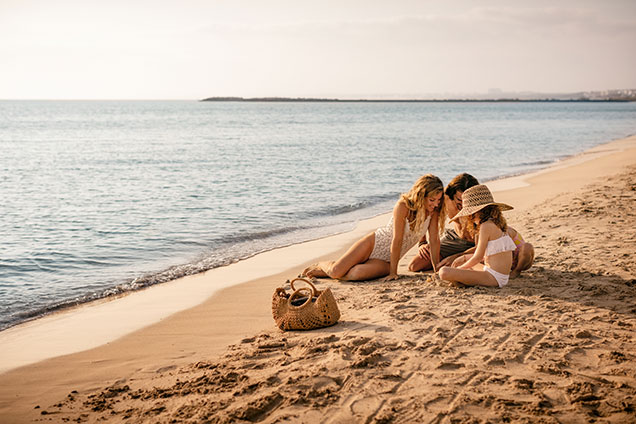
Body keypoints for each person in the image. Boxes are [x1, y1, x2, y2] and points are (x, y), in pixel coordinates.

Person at [302, 174, 446, 282]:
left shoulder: (433, 212)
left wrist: (436, 270)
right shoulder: (403, 206)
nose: (435, 204)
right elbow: (397, 239)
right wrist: (393, 273)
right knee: (335, 272)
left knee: (355, 274)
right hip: (374, 243)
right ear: (421, 196)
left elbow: (434, 241)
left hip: (388, 259)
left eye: (438, 200)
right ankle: (322, 265)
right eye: (432, 200)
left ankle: (327, 271)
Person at [438, 184, 516, 288]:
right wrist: (463, 261)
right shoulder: (497, 223)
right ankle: (461, 279)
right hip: (499, 275)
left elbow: (478, 257)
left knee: (443, 272)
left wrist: (460, 269)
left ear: (475, 212)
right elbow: (489, 255)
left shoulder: (485, 226)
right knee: (462, 260)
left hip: (493, 277)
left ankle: (460, 279)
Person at [409, 173, 479, 272]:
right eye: (459, 200)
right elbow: (424, 209)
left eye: (467, 201)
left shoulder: (479, 201)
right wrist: (422, 242)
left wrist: (457, 257)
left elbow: (483, 246)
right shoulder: (442, 197)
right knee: (415, 265)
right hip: (454, 239)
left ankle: (460, 259)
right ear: (451, 195)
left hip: (477, 243)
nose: (463, 205)